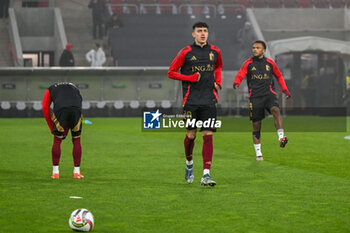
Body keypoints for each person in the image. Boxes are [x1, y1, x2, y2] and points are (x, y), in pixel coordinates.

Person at [168, 22, 223, 186]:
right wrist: (189, 78)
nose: (203, 34)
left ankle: (206, 175)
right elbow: (171, 72)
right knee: (191, 135)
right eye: (199, 31)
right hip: (191, 101)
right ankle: (189, 163)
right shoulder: (185, 52)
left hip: (208, 100)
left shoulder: (215, 51)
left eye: (205, 31)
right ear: (193, 34)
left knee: (208, 135)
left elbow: (218, 66)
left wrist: (218, 81)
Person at [233, 40, 291, 161]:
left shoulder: (270, 63)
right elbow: (241, 74)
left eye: (257, 48)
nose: (254, 49)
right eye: (253, 47)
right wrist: (237, 82)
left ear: (263, 50)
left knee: (275, 110)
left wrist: (285, 90)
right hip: (255, 97)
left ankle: (281, 138)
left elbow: (279, 76)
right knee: (256, 125)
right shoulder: (248, 63)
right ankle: (258, 154)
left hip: (269, 94)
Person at [42, 82, 84, 179]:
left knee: (57, 139)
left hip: (60, 109)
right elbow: (79, 101)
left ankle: (55, 172)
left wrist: (51, 127)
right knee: (76, 139)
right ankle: (77, 173)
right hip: (76, 109)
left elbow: (45, 107)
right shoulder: (75, 87)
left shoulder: (51, 88)